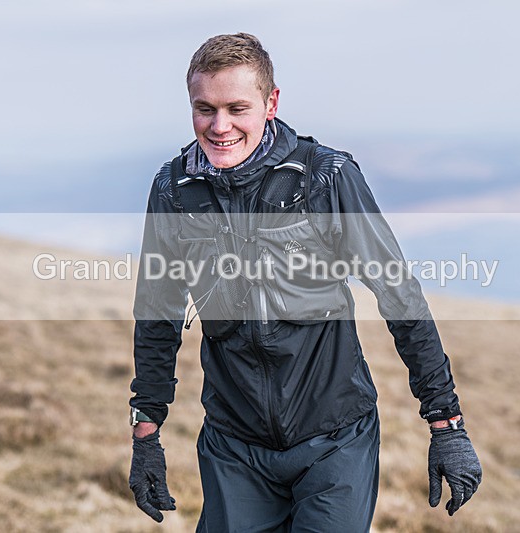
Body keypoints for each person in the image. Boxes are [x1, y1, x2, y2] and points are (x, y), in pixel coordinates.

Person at [128, 32, 482, 532]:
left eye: (237, 108)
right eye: (204, 109)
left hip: (335, 441)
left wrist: (446, 423)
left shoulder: (325, 178)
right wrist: (146, 434)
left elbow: (398, 294)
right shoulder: (173, 190)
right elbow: (157, 314)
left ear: (271, 103)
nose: (220, 126)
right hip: (234, 448)